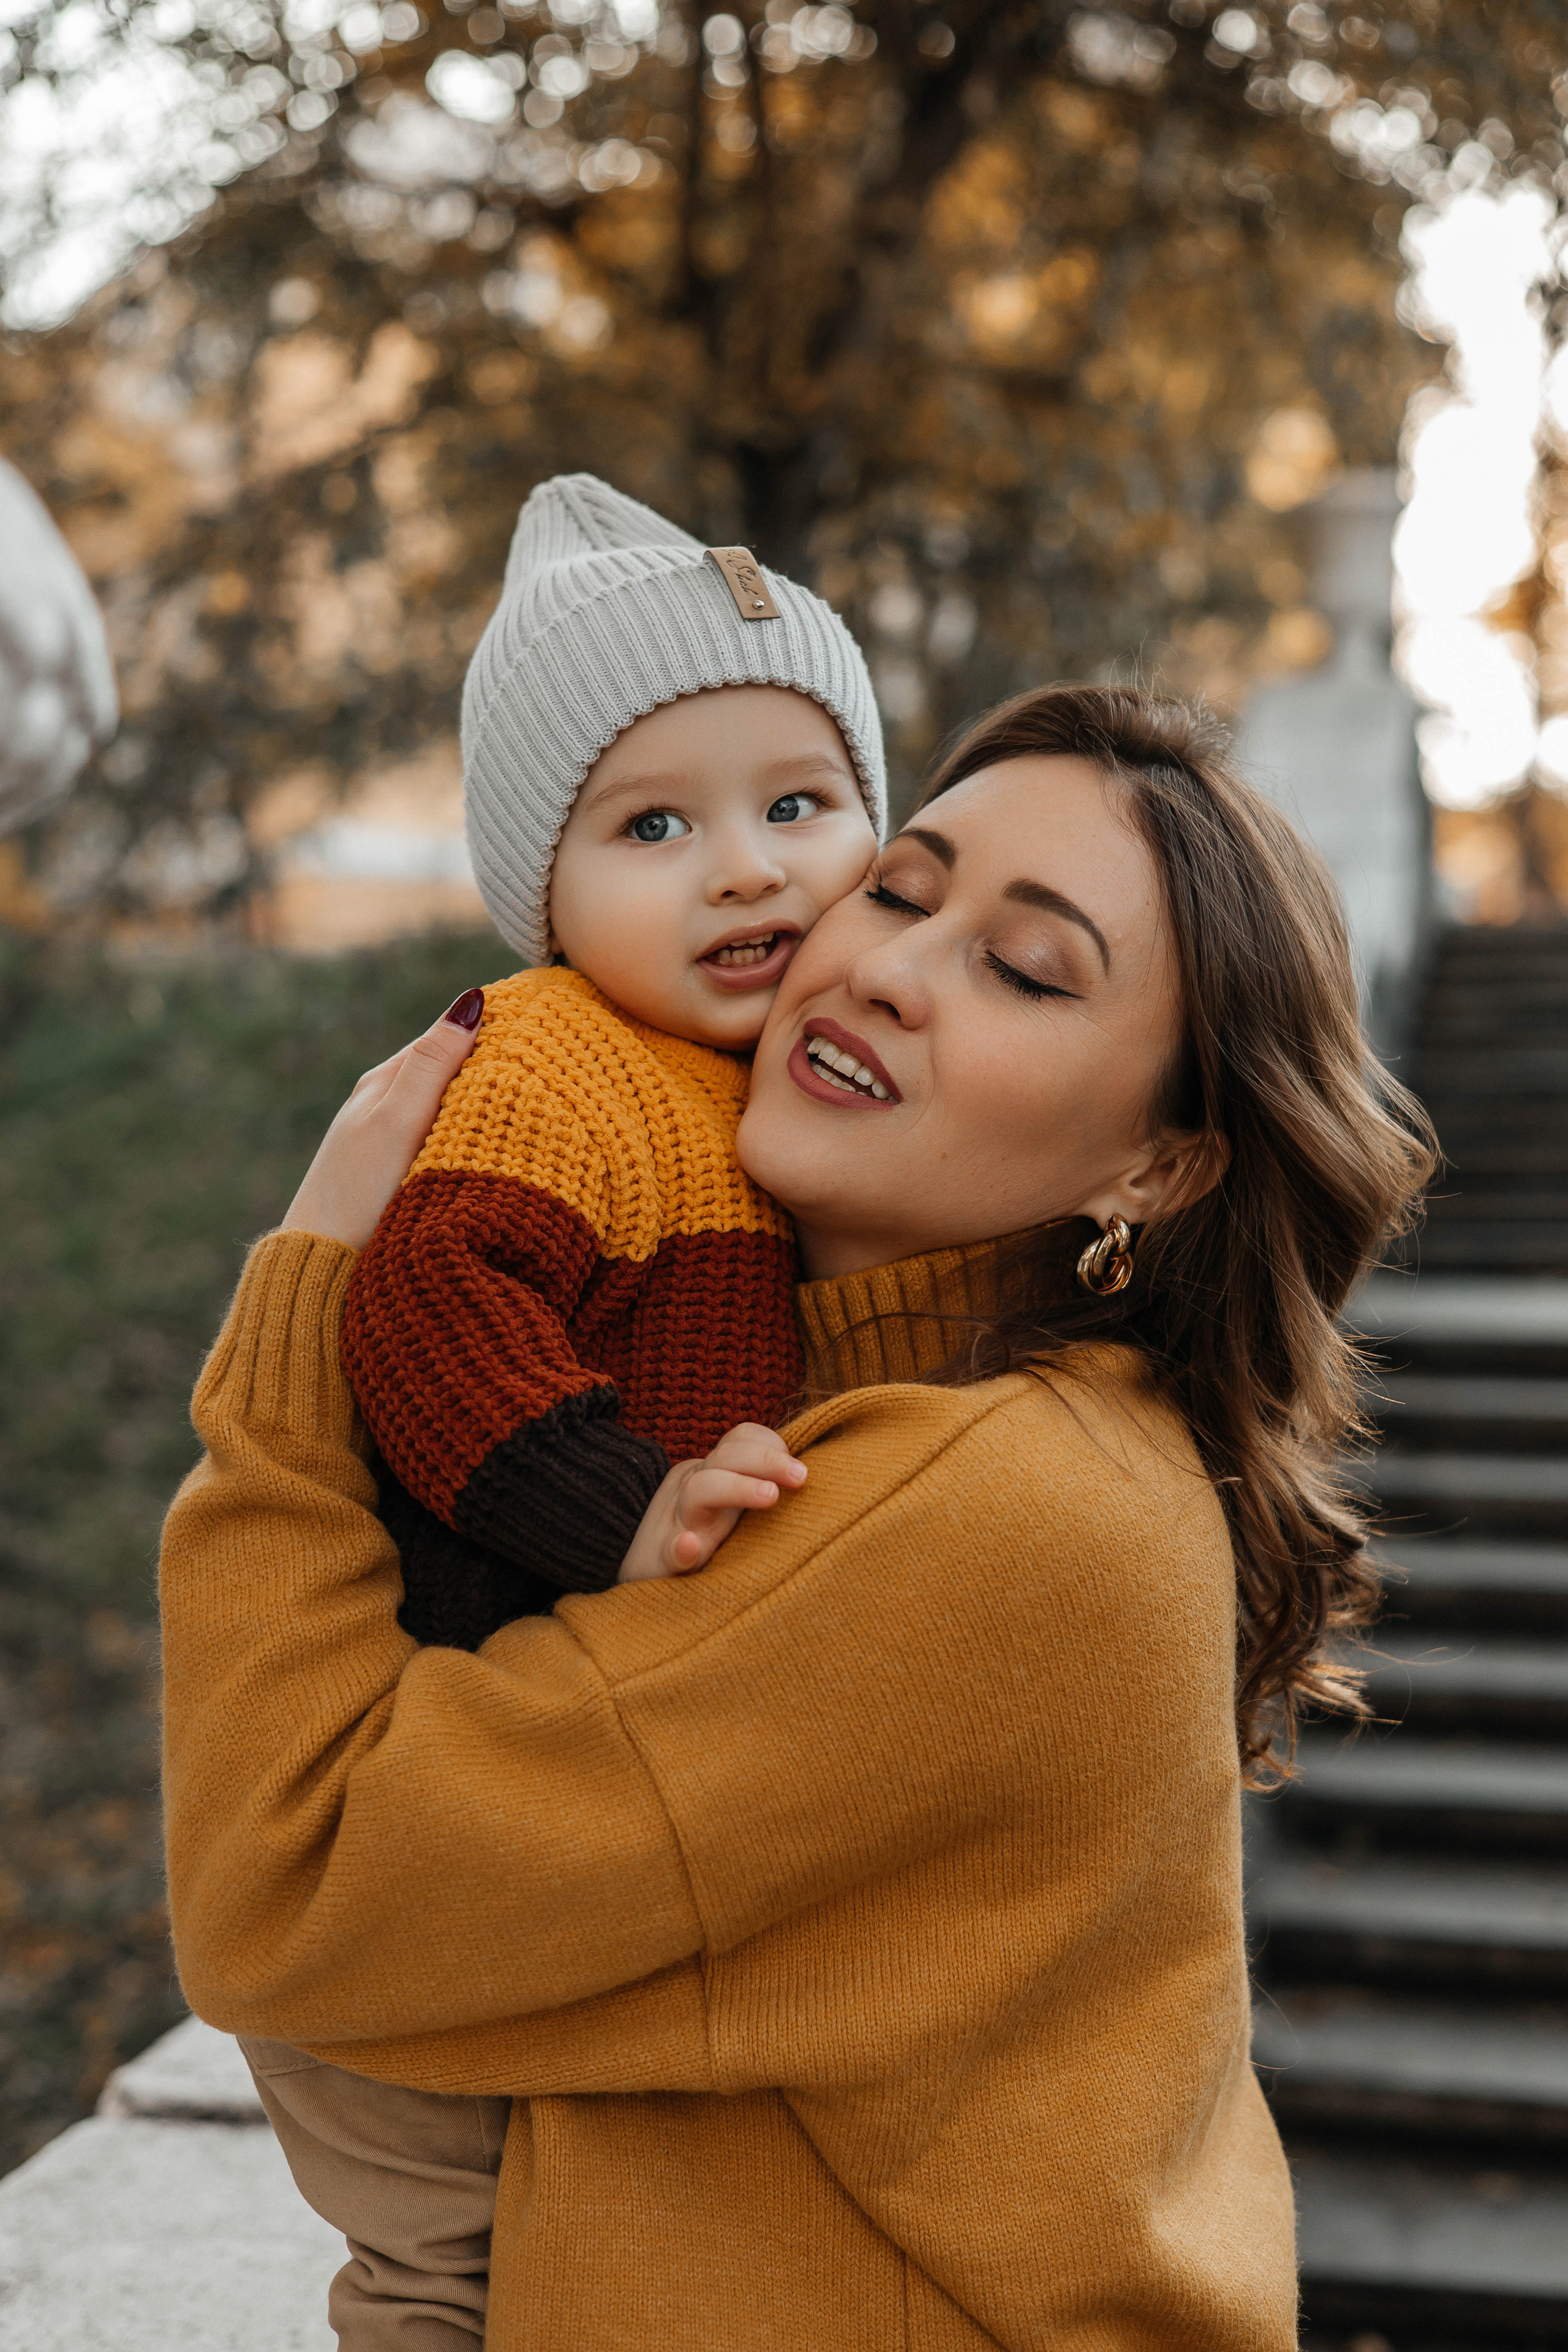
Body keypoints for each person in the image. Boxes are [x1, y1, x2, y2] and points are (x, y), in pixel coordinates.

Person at [160, 683, 1435, 2351]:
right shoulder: (852, 1427)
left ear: (1159, 1169)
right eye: (901, 890)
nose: (890, 968)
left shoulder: (1005, 1506)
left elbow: (288, 1881)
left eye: (1027, 970)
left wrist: (318, 1287)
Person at [238, 469, 886, 2345]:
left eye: (800, 804)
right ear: (544, 890)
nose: (748, 868)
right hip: (422, 1843)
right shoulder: (556, 1062)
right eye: (655, 825)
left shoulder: (761, 1082)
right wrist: (623, 1504)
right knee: (447, 2268)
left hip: (561, 1827)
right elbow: (432, 1310)